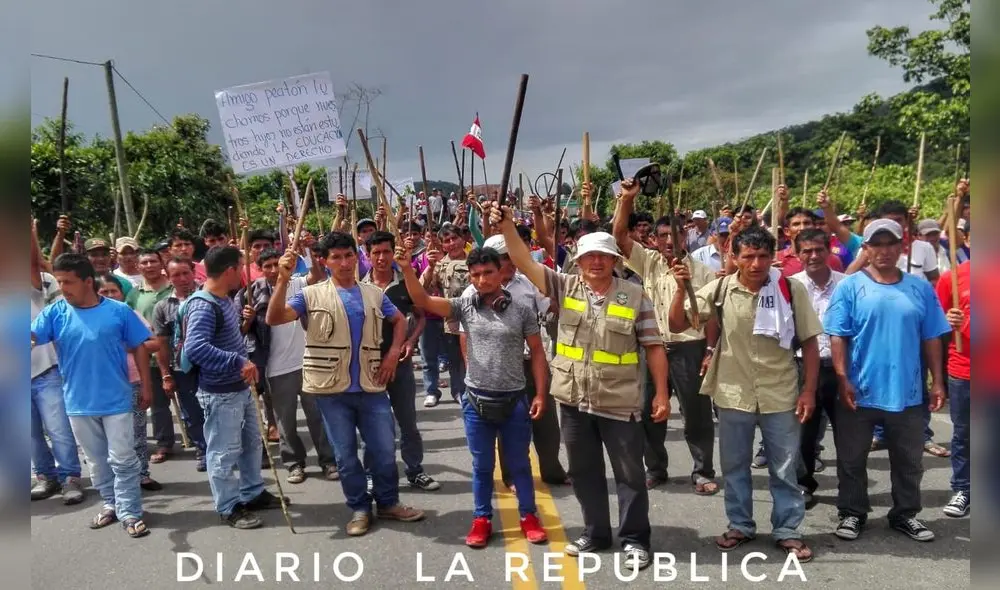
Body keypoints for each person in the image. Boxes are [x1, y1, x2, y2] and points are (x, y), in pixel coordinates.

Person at [494, 189, 669, 571]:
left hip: (619, 401)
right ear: (578, 260)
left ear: (614, 260)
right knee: (583, 471)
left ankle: (636, 539)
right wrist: (507, 225)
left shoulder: (636, 296)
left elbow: (654, 347)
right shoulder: (564, 286)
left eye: (603, 256)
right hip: (573, 400)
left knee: (629, 474)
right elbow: (523, 261)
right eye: (588, 256)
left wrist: (663, 395)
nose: (595, 262)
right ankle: (596, 532)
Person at [669, 224, 822, 563]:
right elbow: (678, 325)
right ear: (734, 258)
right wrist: (681, 290)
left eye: (763, 256)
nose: (756, 264)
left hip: (780, 392)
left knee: (783, 469)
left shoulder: (790, 290)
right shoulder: (721, 288)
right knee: (735, 465)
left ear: (772, 257)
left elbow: (810, 343)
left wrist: (809, 390)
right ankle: (740, 525)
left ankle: (788, 531)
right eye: (748, 256)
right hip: (732, 392)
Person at [266, 232, 425, 537]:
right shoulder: (310, 295)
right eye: (335, 257)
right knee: (346, 456)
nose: (343, 263)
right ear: (324, 262)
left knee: (382, 449)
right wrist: (282, 281)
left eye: (348, 256)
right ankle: (360, 508)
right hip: (331, 390)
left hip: (372, 385)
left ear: (356, 257)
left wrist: (393, 353)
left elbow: (400, 320)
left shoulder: (373, 294)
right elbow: (274, 318)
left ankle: (388, 503)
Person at [401, 245, 549, 547]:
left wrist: (541, 394)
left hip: (514, 401)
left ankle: (529, 516)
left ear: (501, 272)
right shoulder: (464, 306)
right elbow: (422, 299)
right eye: (476, 274)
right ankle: (481, 519)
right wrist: (406, 269)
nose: (482, 280)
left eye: (488, 273)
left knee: (519, 463)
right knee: (482, 466)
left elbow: (537, 352)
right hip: (476, 402)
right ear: (470, 276)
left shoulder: (521, 310)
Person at [825, 219, 951, 543]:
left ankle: (905, 514)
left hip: (907, 393)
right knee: (852, 459)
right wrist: (842, 378)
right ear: (864, 249)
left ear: (901, 247)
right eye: (875, 244)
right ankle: (853, 513)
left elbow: (933, 337)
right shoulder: (850, 286)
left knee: (909, 460)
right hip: (860, 390)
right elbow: (837, 335)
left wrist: (938, 381)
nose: (883, 250)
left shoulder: (920, 288)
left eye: (889, 243)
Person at [31, 254, 153, 538]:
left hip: (117, 400)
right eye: (59, 282)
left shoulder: (119, 311)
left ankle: (131, 511)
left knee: (122, 458)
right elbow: (32, 337)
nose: (63, 288)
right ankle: (111, 504)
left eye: (68, 282)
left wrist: (147, 387)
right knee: (97, 462)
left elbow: (140, 347)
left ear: (88, 282)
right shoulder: (55, 312)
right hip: (78, 404)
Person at [614, 187, 719, 495]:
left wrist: (710, 350)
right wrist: (628, 199)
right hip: (652, 348)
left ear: (685, 236)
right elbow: (619, 235)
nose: (669, 242)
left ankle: (702, 471)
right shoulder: (649, 263)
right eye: (663, 236)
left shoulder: (703, 272)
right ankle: (656, 468)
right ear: (655, 240)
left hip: (689, 347)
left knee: (696, 414)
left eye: (675, 235)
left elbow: (711, 316)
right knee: (648, 411)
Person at [184, 245, 285, 530]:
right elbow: (196, 348)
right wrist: (238, 360)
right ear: (229, 270)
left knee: (252, 443)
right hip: (220, 392)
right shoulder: (204, 304)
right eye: (240, 267)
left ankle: (252, 492)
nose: (242, 273)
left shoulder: (225, 299)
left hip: (240, 387)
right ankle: (228, 506)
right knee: (224, 452)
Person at [463, 233, 569, 489]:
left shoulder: (529, 283)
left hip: (532, 362)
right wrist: (473, 369)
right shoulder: (471, 292)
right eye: (504, 258)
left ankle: (552, 470)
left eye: (512, 257)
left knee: (545, 420)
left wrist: (554, 294)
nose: (510, 263)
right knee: (504, 424)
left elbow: (551, 308)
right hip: (497, 368)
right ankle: (510, 475)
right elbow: (464, 337)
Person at [238, 248, 338, 484]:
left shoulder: (298, 284)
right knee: (285, 422)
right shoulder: (250, 294)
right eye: (268, 266)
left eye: (277, 264)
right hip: (276, 368)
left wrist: (310, 249)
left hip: (308, 362)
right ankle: (294, 463)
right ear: (259, 268)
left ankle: (328, 461)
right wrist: (248, 319)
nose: (274, 270)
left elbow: (317, 275)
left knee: (317, 416)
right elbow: (240, 332)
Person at [361, 232, 440, 491]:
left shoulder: (406, 283)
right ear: (368, 255)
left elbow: (421, 317)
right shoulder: (359, 286)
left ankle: (415, 470)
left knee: (408, 422)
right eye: (376, 253)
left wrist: (409, 341)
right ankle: (372, 474)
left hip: (401, 365)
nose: (382, 258)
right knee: (372, 425)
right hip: (370, 367)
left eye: (386, 252)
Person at [789, 228, 846, 507]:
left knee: (848, 432)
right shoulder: (789, 286)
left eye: (819, 250)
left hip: (841, 367)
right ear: (797, 254)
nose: (813, 256)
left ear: (829, 250)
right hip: (801, 366)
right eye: (806, 251)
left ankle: (849, 488)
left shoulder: (847, 284)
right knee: (803, 432)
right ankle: (803, 484)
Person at [30, 227, 84, 504]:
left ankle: (70, 477)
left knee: (58, 429)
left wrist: (28, 231)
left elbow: (33, 262)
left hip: (45, 370)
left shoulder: (41, 280)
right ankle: (45, 476)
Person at [152, 257, 208, 473]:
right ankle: (203, 451)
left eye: (186, 273)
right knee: (192, 412)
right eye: (176, 274)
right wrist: (166, 375)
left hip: (210, 365)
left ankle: (226, 450)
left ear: (193, 272)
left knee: (219, 409)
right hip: (182, 369)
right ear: (168, 277)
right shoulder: (163, 307)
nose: (182, 278)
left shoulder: (207, 297)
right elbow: (162, 345)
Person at [126, 248, 176, 465]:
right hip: (151, 358)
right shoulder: (134, 295)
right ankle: (164, 443)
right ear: (138, 267)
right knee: (158, 405)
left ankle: (200, 441)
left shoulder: (175, 287)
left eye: (153, 261)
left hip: (181, 354)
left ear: (161, 262)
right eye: (144, 262)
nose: (149, 266)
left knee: (192, 400)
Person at [935, 259, 971, 517]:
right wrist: (948, 319)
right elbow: (935, 323)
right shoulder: (953, 278)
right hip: (964, 369)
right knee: (964, 435)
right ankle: (963, 489)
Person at [421, 223, 470, 404]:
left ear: (463, 239)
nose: (452, 243)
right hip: (453, 324)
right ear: (442, 245)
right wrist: (430, 267)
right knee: (456, 360)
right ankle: (459, 392)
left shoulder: (477, 259)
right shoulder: (440, 265)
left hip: (478, 321)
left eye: (454, 238)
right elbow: (422, 288)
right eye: (447, 241)